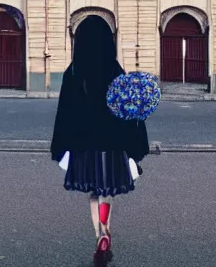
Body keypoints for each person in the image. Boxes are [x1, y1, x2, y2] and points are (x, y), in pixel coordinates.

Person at [50, 15, 150, 265]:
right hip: (113, 144)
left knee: (94, 192)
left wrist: (60, 145)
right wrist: (135, 146)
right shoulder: (115, 71)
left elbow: (64, 113)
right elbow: (130, 112)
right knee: (107, 192)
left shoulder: (72, 72)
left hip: (84, 145)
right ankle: (105, 230)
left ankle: (100, 233)